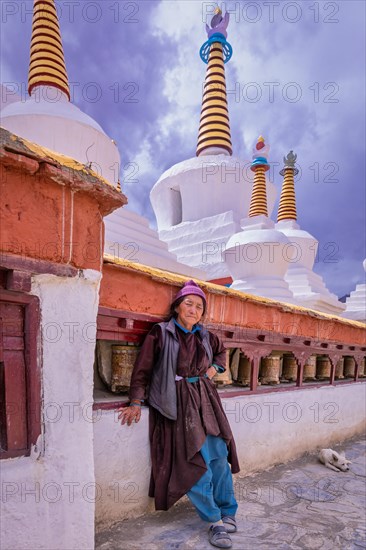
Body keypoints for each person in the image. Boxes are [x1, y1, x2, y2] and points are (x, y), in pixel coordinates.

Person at [119, 280, 240, 549]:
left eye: (199, 306)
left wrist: (214, 370)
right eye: (189, 303)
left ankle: (228, 509)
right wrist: (136, 401)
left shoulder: (206, 336)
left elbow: (222, 353)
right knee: (193, 462)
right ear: (176, 307)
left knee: (219, 456)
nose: (194, 309)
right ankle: (214, 521)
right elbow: (143, 369)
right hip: (177, 404)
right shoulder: (161, 333)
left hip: (207, 400)